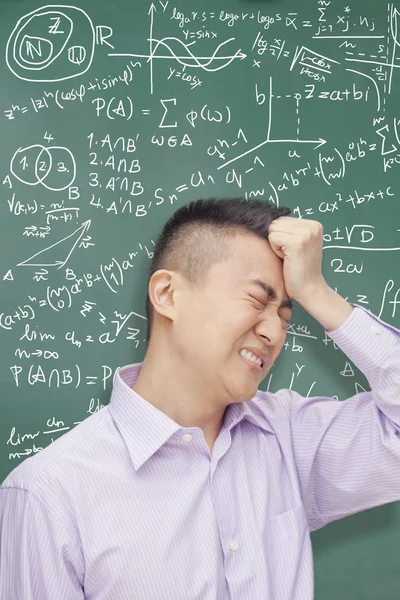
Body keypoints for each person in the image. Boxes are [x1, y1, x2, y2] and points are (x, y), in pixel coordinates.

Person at [1, 197, 399, 600]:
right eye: (258, 300)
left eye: (285, 315)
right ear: (169, 294)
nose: (274, 333)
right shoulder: (48, 495)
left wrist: (318, 293)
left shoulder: (288, 438)